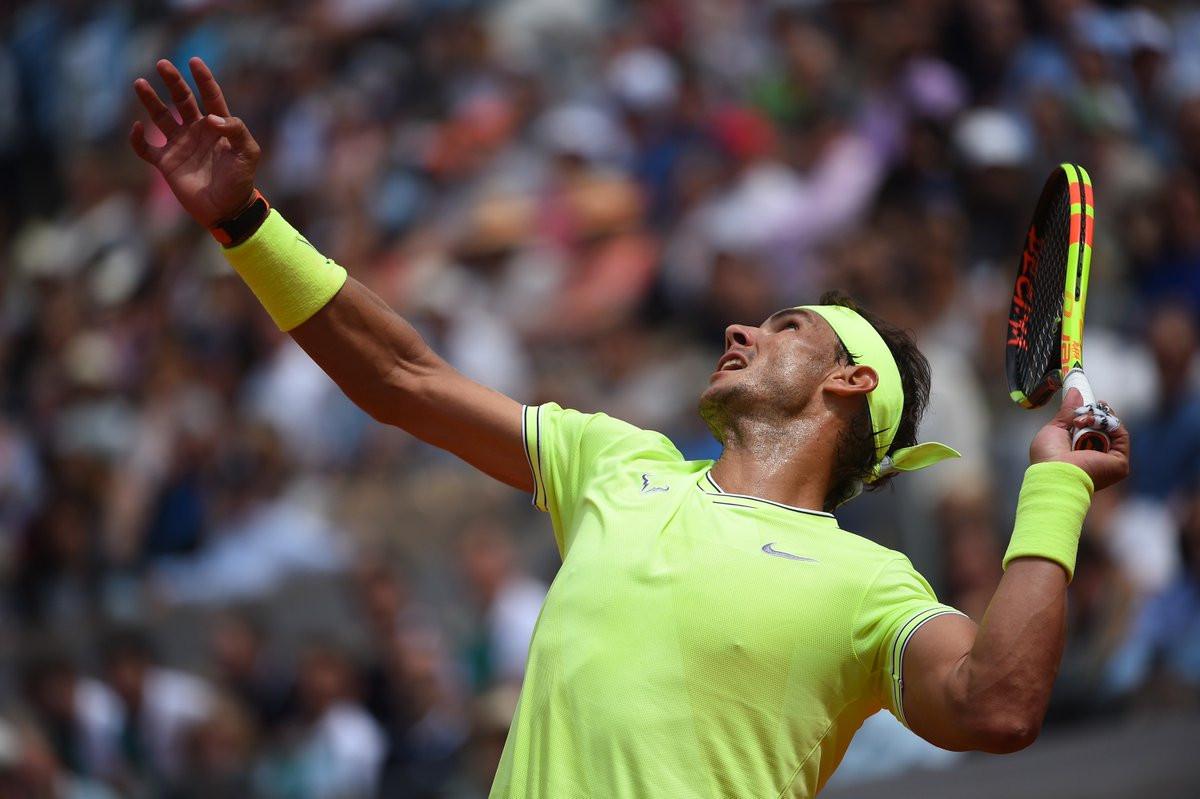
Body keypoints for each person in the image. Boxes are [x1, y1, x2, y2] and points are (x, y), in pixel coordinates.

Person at [130, 58, 1130, 798]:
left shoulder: (872, 586)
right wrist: (243, 221)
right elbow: (402, 377)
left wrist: (1057, 486)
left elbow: (998, 705)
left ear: (849, 382)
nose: (740, 329)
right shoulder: (617, 463)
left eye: (786, 328)